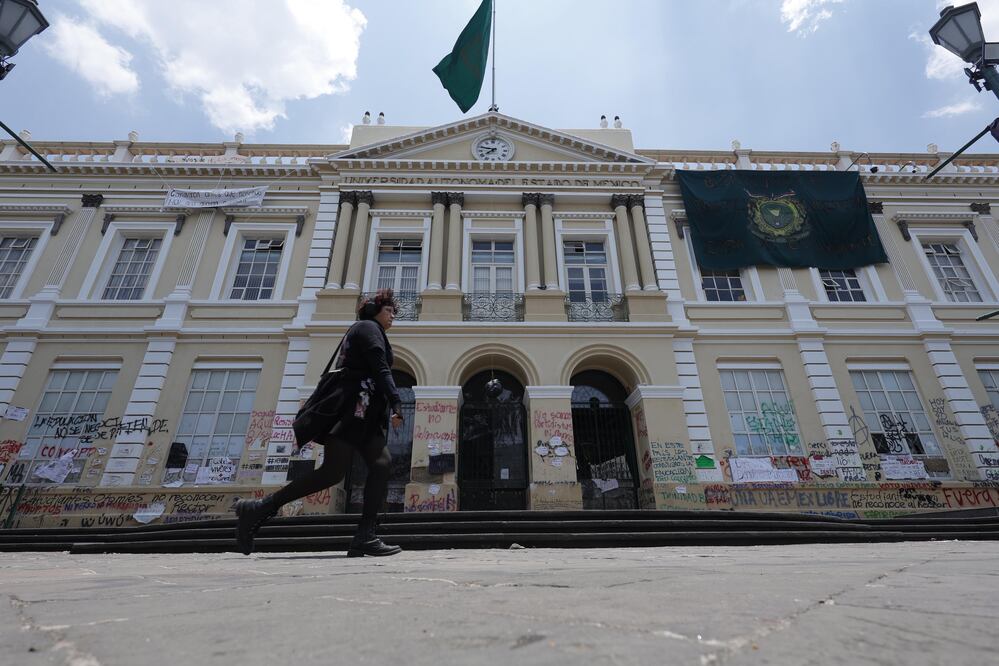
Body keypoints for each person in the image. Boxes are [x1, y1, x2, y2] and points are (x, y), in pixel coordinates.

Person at [234, 288, 405, 557]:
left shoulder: (369, 330)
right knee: (346, 470)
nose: (393, 315)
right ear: (374, 311)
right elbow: (380, 367)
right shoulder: (368, 327)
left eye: (394, 312)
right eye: (389, 310)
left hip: (361, 411)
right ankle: (260, 508)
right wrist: (396, 401)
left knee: (362, 467)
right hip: (354, 409)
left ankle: (363, 535)